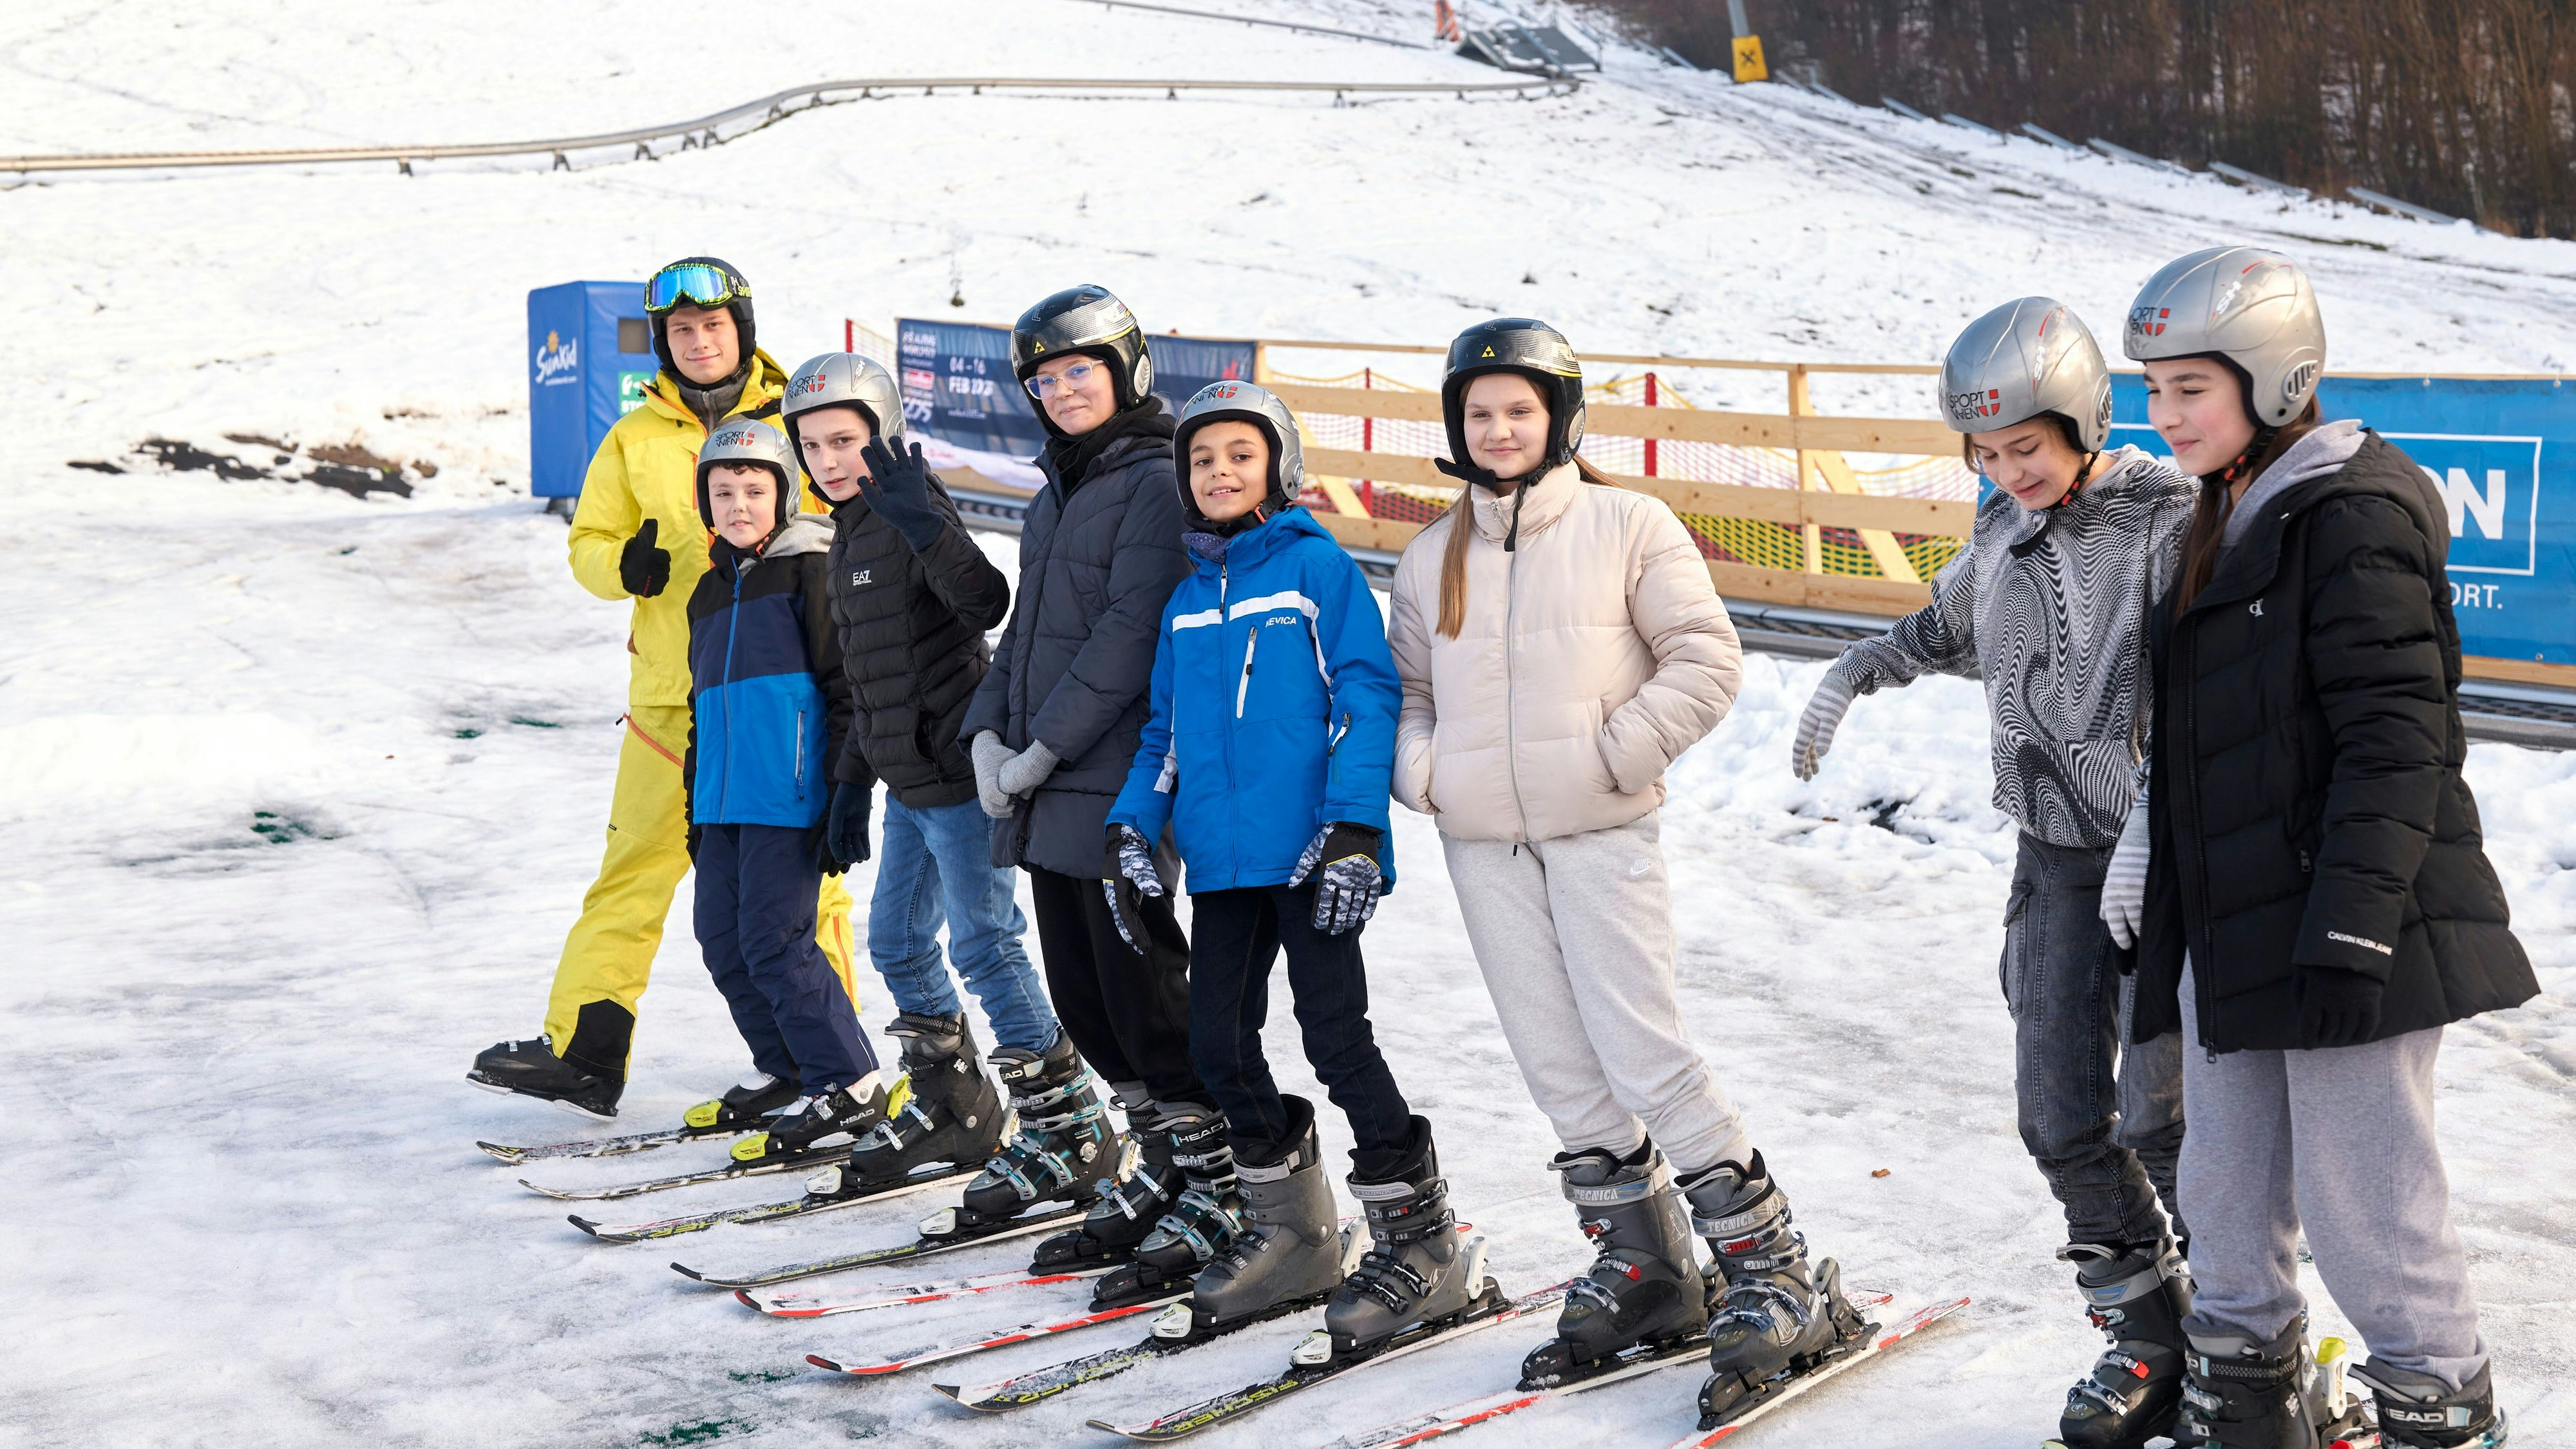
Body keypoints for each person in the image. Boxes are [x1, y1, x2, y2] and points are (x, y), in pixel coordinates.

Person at [1388, 317, 1864, 1416]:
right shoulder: (1430, 556)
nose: (1499, 429)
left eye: (1520, 409)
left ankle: (1772, 1269)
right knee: (1557, 1062)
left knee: (1646, 1052)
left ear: (1559, 417)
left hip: (1602, 833)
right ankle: (1645, 1267)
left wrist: (1614, 756)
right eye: (1479, 412)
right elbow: (1412, 693)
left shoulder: (1626, 523)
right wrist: (1429, 772)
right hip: (1484, 843)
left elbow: (1706, 657)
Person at [2113, 246, 2531, 1449]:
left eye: (2192, 387)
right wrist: (2154, 858)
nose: (2165, 415)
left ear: (2278, 378)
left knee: (2370, 1210)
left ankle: (2439, 1407)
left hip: (2351, 922)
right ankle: (2245, 1395)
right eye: (2154, 390)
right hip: (2240, 922)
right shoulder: (2225, 512)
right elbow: (2209, 739)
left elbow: (2398, 741)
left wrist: (2350, 926)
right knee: (2224, 1184)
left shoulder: (2352, 514)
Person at [1791, 298, 2200, 1449]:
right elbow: (1952, 625)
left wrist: (2155, 822)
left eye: (2027, 447)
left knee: (2168, 1124)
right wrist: (1860, 667)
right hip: (2054, 861)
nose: (2009, 470)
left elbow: (2204, 688)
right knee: (2060, 1118)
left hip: (2163, 863)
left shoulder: (2162, 518)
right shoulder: (2002, 521)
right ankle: (2148, 1334)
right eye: (1985, 452)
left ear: (2085, 421)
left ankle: (2244, 1341)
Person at [1097, 380, 1476, 1350]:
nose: (1219, 472)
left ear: (1279, 466)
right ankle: (1292, 1228)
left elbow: (1366, 696)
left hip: (1309, 854)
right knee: (1218, 1048)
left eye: (1240, 454)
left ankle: (1419, 1231)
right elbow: (1163, 737)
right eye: (1201, 459)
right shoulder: (1187, 601)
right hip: (1224, 867)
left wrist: (1353, 828)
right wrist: (1132, 828)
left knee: (1336, 1039)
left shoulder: (1317, 570)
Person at [468, 257, 857, 1121]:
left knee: (808, 892)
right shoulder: (633, 437)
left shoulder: (798, 422)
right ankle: (586, 1051)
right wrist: (623, 567)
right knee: (632, 873)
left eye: (713, 326)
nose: (699, 341)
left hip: (779, 700)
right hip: (670, 700)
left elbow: (845, 528)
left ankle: (838, 1068)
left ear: (741, 331)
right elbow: (587, 542)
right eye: (681, 330)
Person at [956, 283, 1204, 1251]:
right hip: (1047, 788)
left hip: (1116, 783)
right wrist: (987, 733)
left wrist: (1042, 747)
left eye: (1078, 371)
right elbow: (1025, 633)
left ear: (1126, 370)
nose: (1061, 391)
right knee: (1087, 1004)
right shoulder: (1057, 492)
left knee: (1146, 997)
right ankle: (1163, 1163)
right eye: (1045, 380)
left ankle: (1219, 1176)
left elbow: (1131, 632)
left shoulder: (1154, 480)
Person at [775, 352, 1053, 1198]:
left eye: (845, 440)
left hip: (961, 776)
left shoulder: (909, 503)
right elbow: (874, 677)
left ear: (885, 432)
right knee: (896, 941)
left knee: (985, 944)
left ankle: (1065, 1122)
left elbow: (984, 603)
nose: (828, 460)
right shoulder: (850, 528)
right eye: (812, 445)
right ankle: (954, 1104)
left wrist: (927, 527)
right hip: (907, 782)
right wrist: (851, 781)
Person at [679, 419, 884, 1160]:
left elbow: (846, 689)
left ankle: (849, 1082)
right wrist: (694, 808)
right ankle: (788, 1068)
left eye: (753, 490)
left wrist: (841, 789)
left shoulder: (812, 569)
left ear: (784, 496)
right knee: (722, 941)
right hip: (723, 803)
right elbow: (701, 709)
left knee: (776, 942)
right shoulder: (707, 593)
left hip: (789, 797)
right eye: (722, 492)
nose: (738, 505)